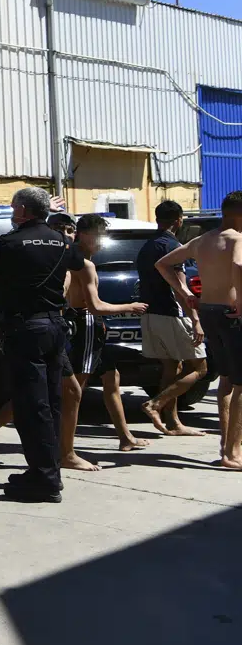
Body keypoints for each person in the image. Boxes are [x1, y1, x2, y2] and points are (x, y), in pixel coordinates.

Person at [0, 187, 84, 503]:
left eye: (14, 207)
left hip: (24, 329)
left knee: (31, 406)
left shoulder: (9, 242)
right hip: (55, 327)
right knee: (51, 402)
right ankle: (49, 471)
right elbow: (78, 264)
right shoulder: (62, 240)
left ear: (21, 211)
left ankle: (43, 479)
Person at [154, 190, 242, 469]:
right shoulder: (237, 239)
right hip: (231, 314)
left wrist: (186, 294)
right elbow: (239, 264)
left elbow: (162, 264)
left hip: (209, 311)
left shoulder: (202, 240)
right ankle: (233, 453)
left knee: (226, 380)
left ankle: (226, 446)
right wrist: (240, 301)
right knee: (240, 384)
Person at [55, 215, 151, 470]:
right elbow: (94, 306)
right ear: (84, 235)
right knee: (74, 391)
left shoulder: (80, 260)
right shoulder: (81, 263)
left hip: (92, 327)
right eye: (99, 236)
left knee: (112, 378)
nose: (102, 241)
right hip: (85, 326)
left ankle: (125, 437)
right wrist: (129, 307)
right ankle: (65, 451)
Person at [135, 200, 209, 438]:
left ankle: (174, 423)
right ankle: (155, 404)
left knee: (171, 366)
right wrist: (195, 320)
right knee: (200, 367)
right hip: (171, 313)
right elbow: (180, 288)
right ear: (179, 220)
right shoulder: (173, 246)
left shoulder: (147, 246)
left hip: (150, 313)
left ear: (157, 219)